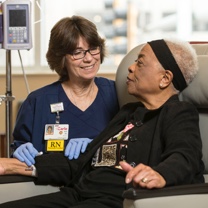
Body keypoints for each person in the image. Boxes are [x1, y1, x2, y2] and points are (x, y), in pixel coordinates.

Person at [0, 39, 204, 208]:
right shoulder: (127, 113)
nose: (131, 68)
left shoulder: (179, 112)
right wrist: (12, 166)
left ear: (165, 78)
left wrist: (160, 174)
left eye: (140, 63)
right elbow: (78, 165)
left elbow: (185, 156)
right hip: (78, 194)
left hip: (115, 200)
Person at [11, 15, 119, 166]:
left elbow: (132, 147)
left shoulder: (117, 94)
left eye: (93, 49)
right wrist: (19, 151)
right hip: (51, 185)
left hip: (103, 184)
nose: (88, 58)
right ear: (61, 58)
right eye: (77, 52)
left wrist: (96, 145)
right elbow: (19, 147)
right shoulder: (37, 102)